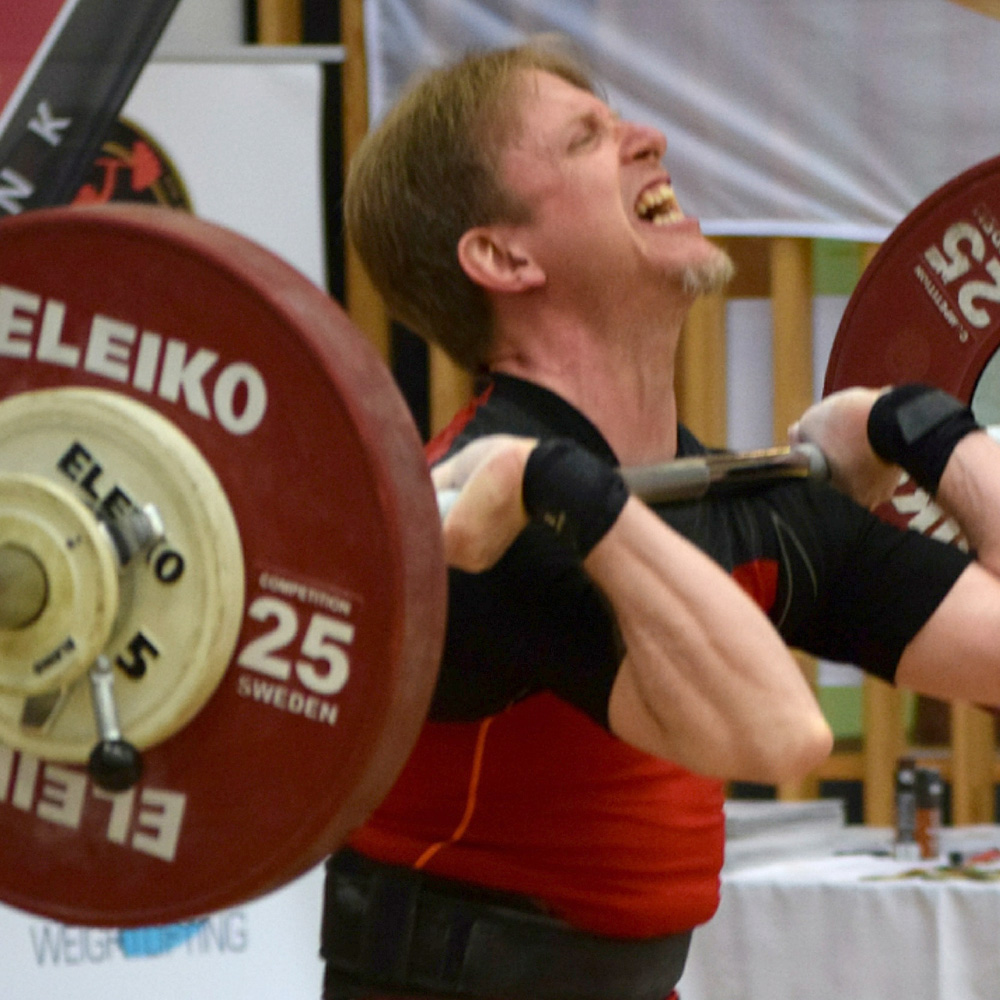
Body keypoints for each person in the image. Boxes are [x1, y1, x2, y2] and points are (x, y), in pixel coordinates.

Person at [320, 38, 1000, 1000]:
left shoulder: (721, 499)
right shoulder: (474, 520)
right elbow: (776, 736)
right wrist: (566, 489)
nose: (651, 139)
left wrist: (924, 425)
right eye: (586, 138)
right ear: (504, 255)